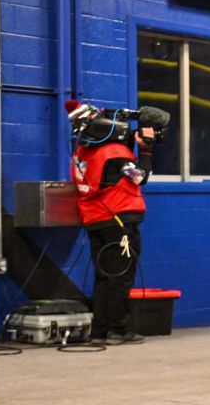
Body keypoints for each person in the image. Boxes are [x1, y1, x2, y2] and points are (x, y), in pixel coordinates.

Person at [66, 101, 157, 346]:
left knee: (104, 277)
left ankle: (99, 331)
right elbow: (141, 177)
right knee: (121, 277)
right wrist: (146, 149)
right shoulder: (114, 153)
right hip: (118, 219)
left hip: (95, 219)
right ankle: (118, 328)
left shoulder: (80, 154)